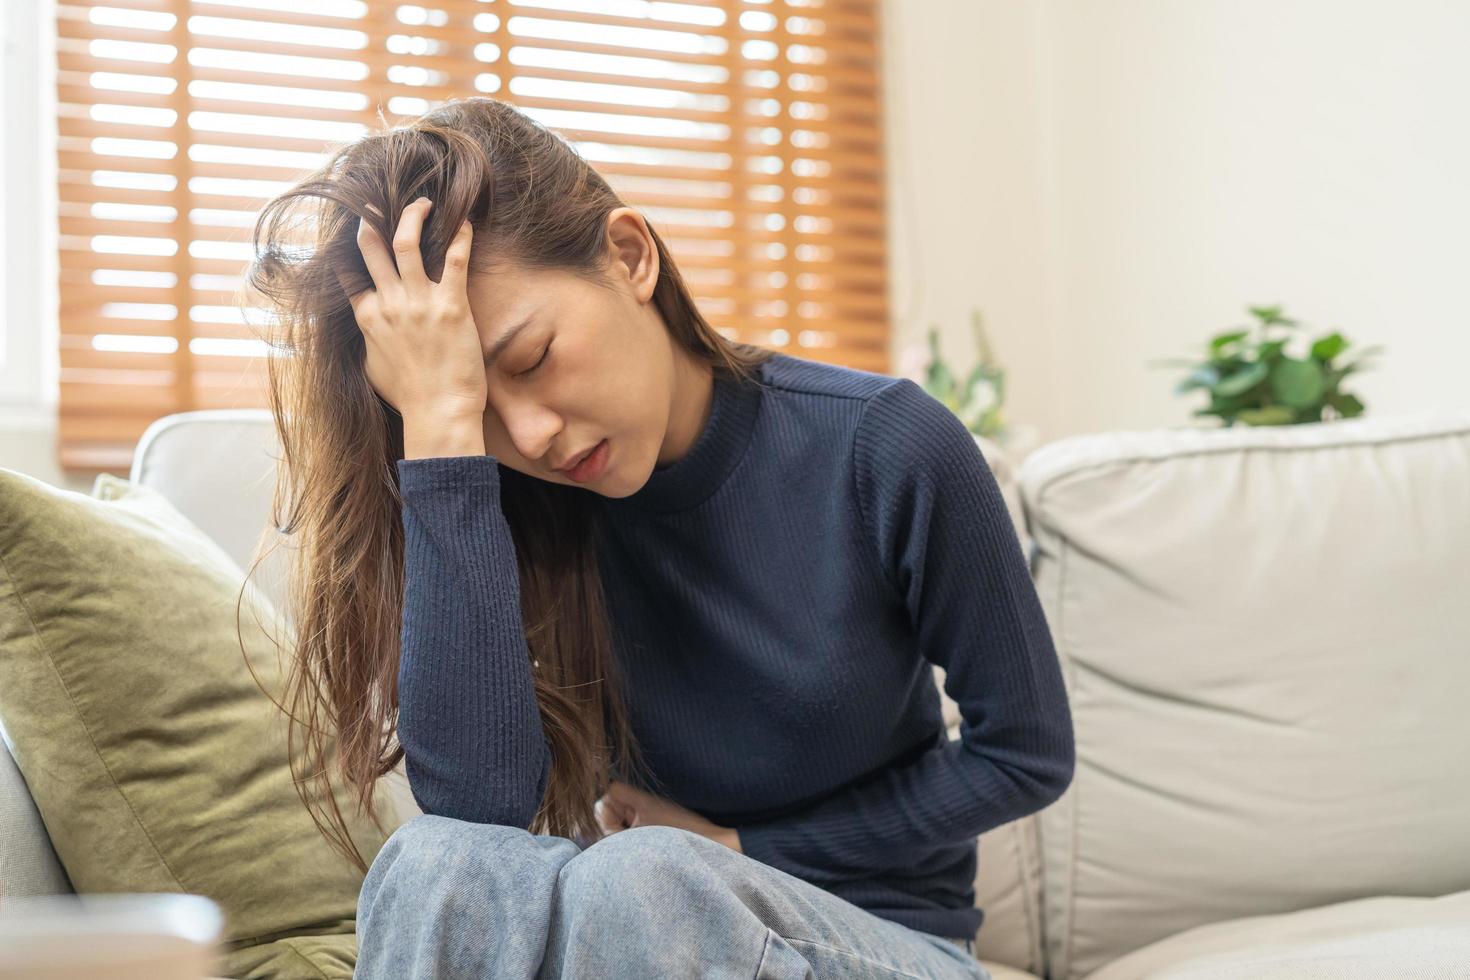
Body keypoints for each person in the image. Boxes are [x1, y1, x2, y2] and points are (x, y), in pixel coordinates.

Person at [244, 95, 1073, 979]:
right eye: (482, 403)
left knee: (647, 879)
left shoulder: (884, 445)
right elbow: (475, 824)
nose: (528, 436)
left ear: (630, 256)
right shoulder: (504, 502)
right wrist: (444, 437)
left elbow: (1024, 755)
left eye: (529, 360)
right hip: (639, 938)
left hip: (885, 941)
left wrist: (738, 846)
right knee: (433, 861)